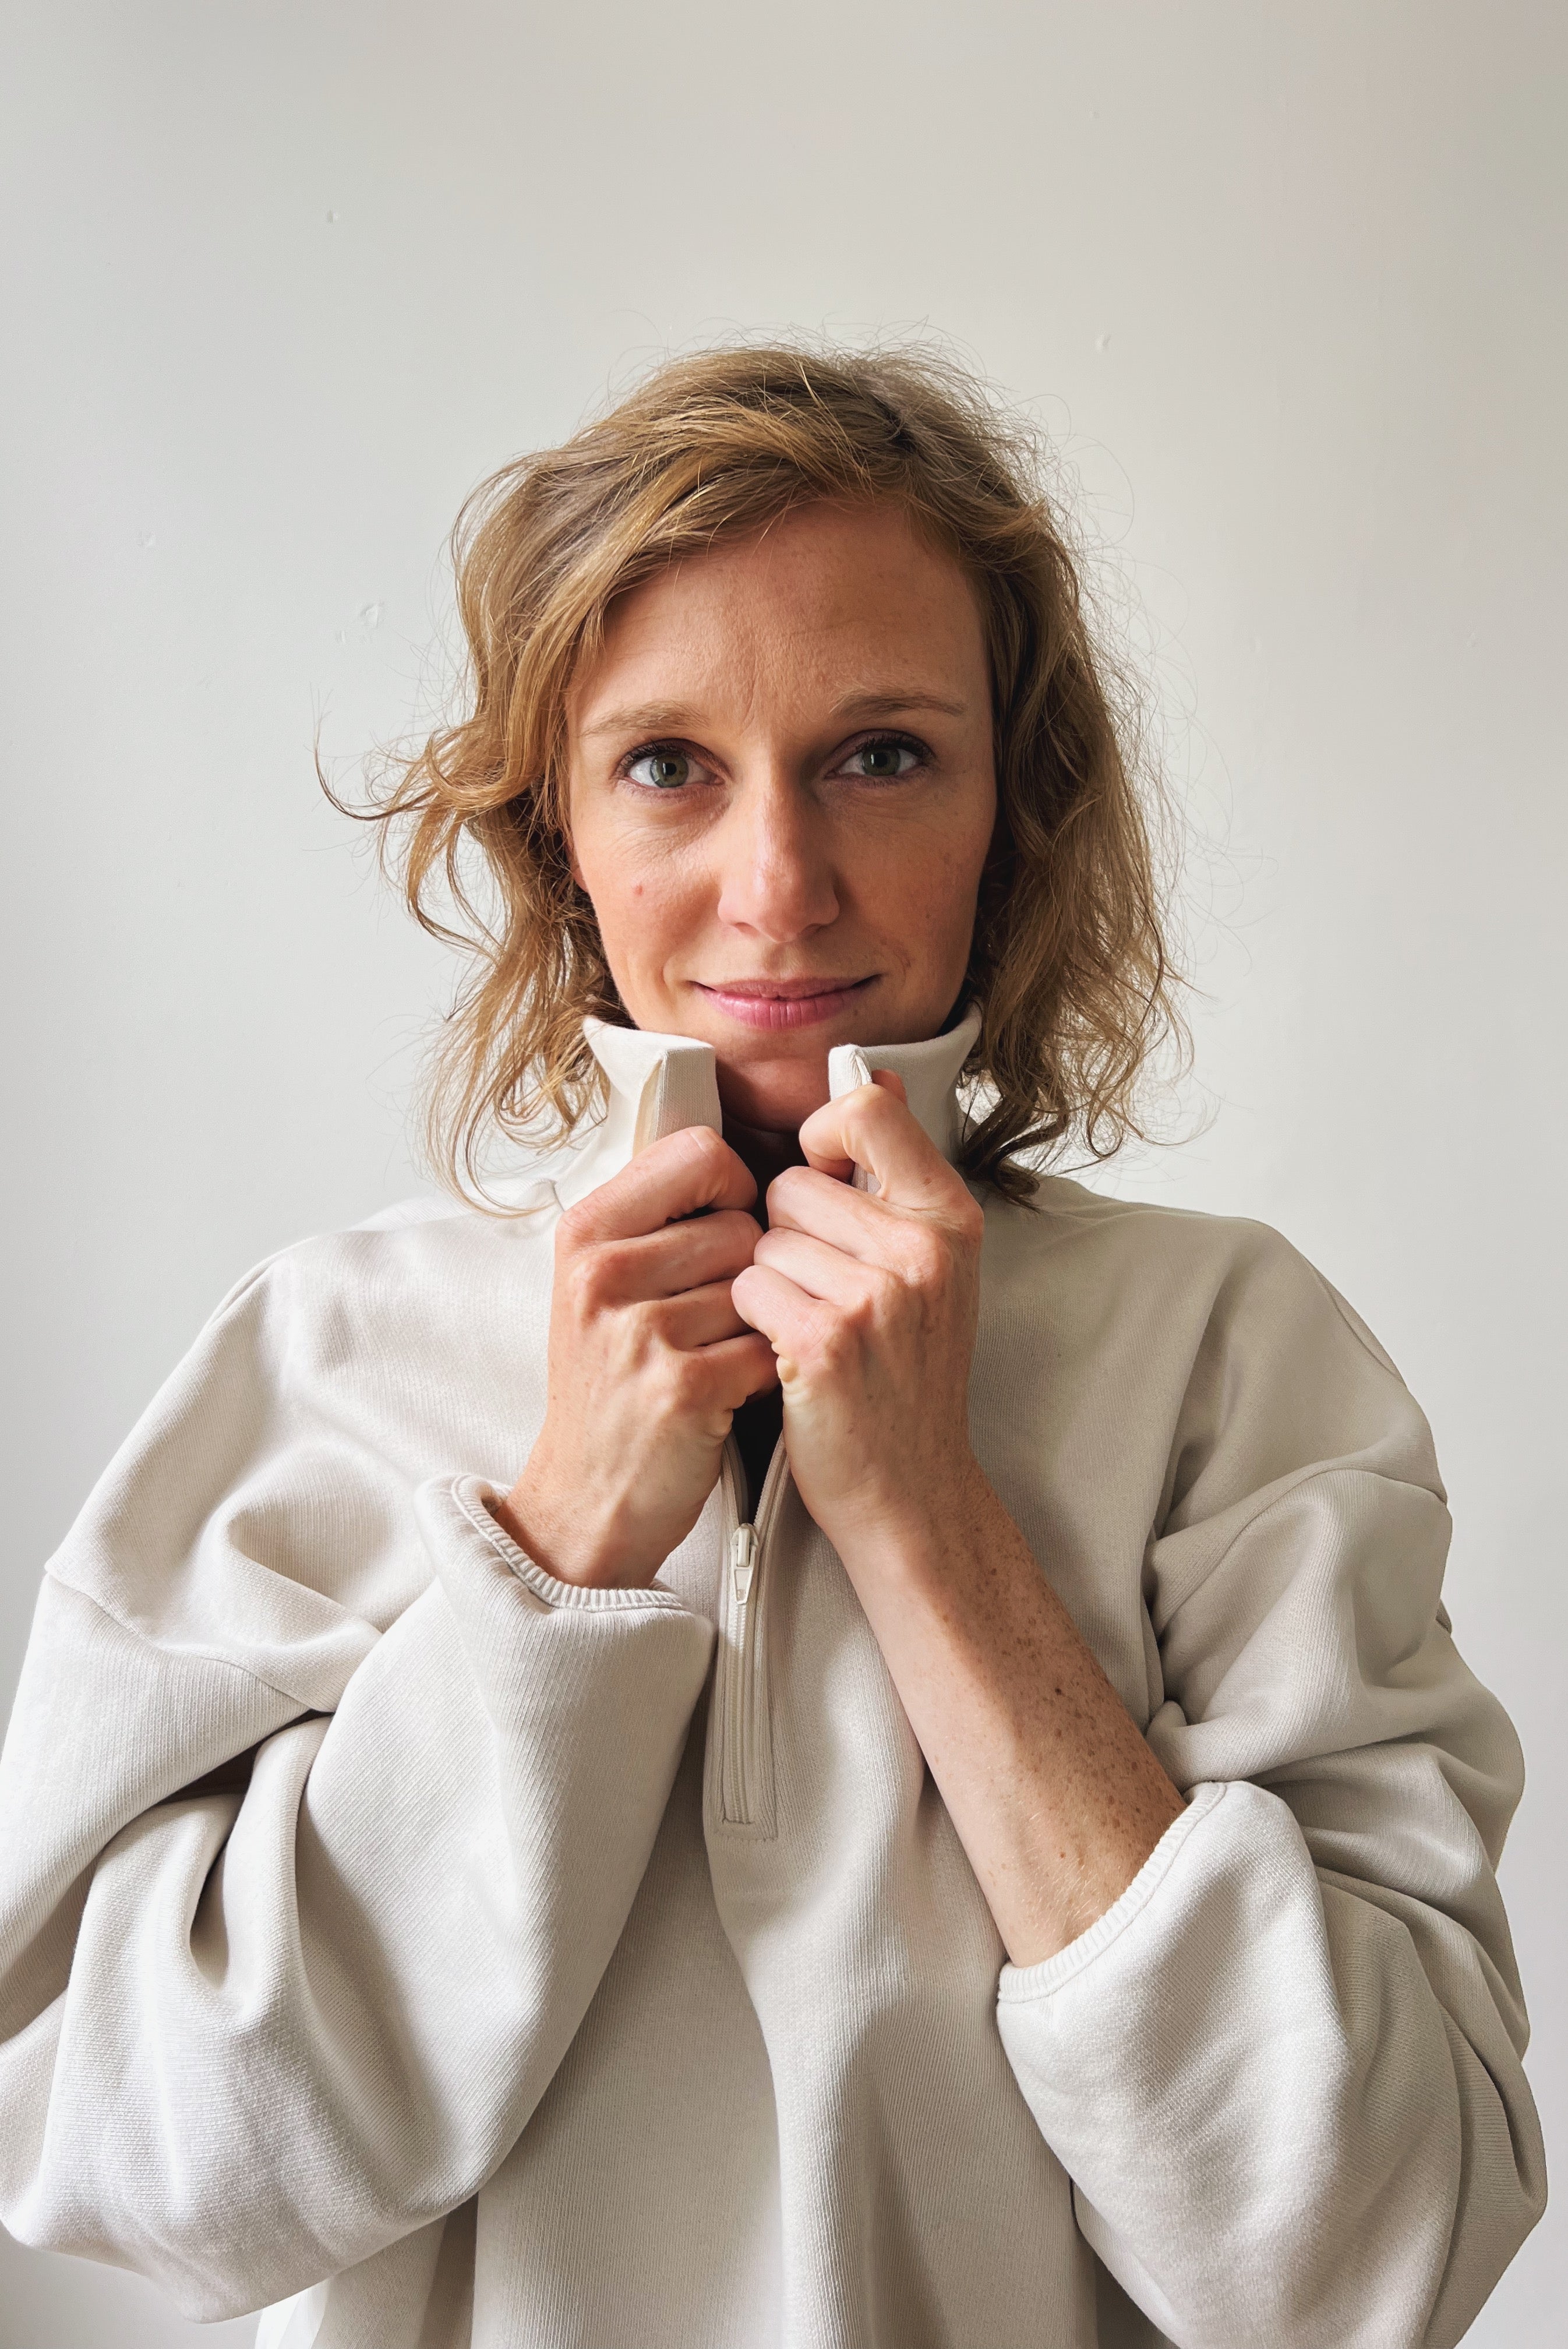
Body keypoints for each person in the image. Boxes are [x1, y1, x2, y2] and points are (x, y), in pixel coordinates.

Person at [0, 346, 1544, 2349]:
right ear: (554, 828)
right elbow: (121, 2173)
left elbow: (1365, 2256)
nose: (777, 886)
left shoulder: (1233, 1356)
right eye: (666, 766)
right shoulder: (321, 1352)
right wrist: (552, 1546)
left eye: (881, 752)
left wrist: (927, 1525)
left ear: (1015, 803)